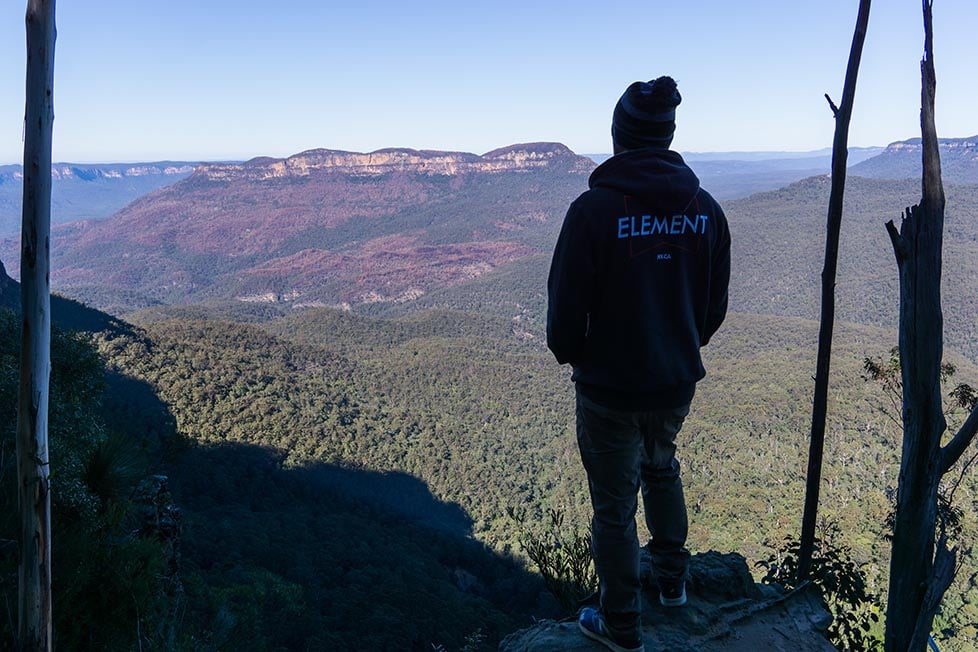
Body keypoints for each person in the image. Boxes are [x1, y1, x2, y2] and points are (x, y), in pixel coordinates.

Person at [546, 76, 730, 652]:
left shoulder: (593, 211)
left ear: (618, 137)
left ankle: (622, 625)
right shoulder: (706, 211)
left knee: (614, 506)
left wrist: (579, 356)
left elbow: (564, 315)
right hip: (675, 382)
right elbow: (713, 308)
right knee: (662, 468)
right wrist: (679, 346)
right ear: (669, 135)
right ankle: (672, 585)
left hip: (609, 390)